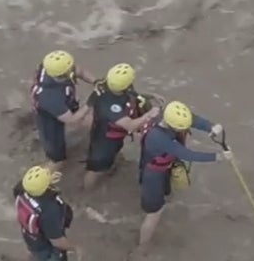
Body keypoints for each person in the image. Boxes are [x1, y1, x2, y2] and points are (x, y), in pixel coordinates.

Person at [136, 100, 231, 252]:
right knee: (154, 212)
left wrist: (210, 126)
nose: (186, 128)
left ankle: (163, 201)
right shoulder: (158, 138)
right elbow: (187, 154)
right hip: (152, 175)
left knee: (166, 195)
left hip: (163, 167)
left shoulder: (169, 114)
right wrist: (218, 157)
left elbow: (191, 119)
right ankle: (142, 246)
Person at [83, 62, 162, 190]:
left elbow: (132, 95)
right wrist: (149, 115)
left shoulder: (115, 85)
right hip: (104, 140)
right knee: (95, 168)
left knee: (109, 157)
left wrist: (150, 96)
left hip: (115, 138)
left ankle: (107, 167)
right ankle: (87, 191)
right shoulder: (109, 105)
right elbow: (129, 126)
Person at [31, 50, 98, 172]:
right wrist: (91, 102)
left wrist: (97, 82)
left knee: (88, 119)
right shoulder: (50, 98)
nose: (74, 69)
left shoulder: (52, 67)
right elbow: (72, 120)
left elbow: (80, 71)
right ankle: (39, 182)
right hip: (50, 119)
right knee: (58, 159)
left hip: (65, 101)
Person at [13, 164, 81, 261]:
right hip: (47, 248)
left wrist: (46, 182)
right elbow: (57, 242)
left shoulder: (21, 189)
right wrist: (76, 248)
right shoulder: (49, 211)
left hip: (30, 238)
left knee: (35, 253)